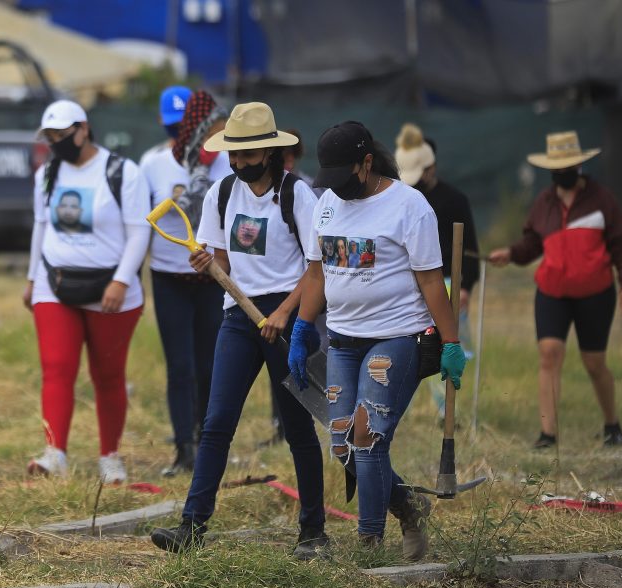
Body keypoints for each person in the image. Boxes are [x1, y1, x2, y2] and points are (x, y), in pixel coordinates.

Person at [150, 102, 328, 559]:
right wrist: (210, 264)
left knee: (297, 427)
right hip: (238, 314)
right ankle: (191, 527)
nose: (239, 163)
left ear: (269, 152)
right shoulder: (222, 193)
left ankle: (313, 531)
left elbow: (315, 268)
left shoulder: (297, 195)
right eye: (234, 154)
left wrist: (287, 314)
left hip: (286, 316)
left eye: (248, 156)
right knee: (216, 424)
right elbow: (224, 257)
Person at [288, 121, 465, 561]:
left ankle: (369, 545)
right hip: (343, 341)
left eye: (344, 176)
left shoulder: (409, 207)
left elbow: (429, 281)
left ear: (367, 164)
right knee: (343, 443)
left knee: (368, 439)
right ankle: (408, 507)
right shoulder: (327, 203)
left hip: (396, 338)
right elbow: (316, 273)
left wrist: (451, 341)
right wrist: (302, 327)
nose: (335, 188)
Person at [23, 99, 151, 483]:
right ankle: (54, 452)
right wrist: (32, 279)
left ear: (84, 129)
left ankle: (110, 456)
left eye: (62, 136)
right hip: (55, 280)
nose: (56, 144)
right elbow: (41, 226)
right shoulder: (46, 173)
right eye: (50, 138)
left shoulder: (123, 172)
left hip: (110, 287)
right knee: (57, 368)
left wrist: (121, 280)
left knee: (108, 374)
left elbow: (139, 231)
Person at [489, 131, 622, 449]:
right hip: (552, 291)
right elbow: (532, 243)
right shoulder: (544, 203)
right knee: (549, 355)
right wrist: (511, 253)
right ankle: (548, 434)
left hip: (596, 292)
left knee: (594, 362)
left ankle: (612, 424)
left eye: (568, 166)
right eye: (558, 167)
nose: (563, 172)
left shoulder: (601, 199)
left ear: (579, 165)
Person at [140, 90, 230, 476]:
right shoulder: (153, 164)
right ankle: (183, 450)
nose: (186, 133)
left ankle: (206, 442)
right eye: (178, 128)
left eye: (191, 126)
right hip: (168, 278)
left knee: (210, 366)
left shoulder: (226, 163)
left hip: (211, 278)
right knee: (180, 367)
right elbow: (140, 220)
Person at [395, 123, 480, 419]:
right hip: (409, 282)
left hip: (445, 282)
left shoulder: (455, 200)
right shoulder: (401, 200)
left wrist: (466, 285)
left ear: (431, 168)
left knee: (449, 345)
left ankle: (448, 411)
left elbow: (469, 248)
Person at [139, 85, 192, 167]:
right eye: (174, 124)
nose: (179, 127)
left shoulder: (214, 156)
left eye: (184, 123)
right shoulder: (151, 161)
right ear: (160, 119)